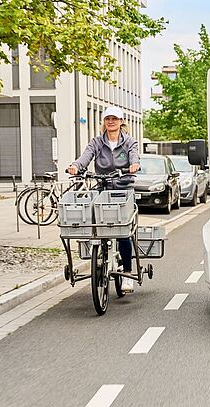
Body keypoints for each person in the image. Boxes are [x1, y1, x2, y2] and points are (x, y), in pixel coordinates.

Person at [67, 106, 140, 292]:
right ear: (104, 122)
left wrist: (134, 164)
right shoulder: (97, 142)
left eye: (115, 118)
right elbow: (85, 157)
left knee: (123, 231)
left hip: (124, 189)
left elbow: (134, 156)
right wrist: (75, 166)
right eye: (108, 118)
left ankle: (128, 274)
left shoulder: (129, 142)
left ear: (121, 122)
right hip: (102, 188)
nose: (111, 121)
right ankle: (100, 255)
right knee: (98, 227)